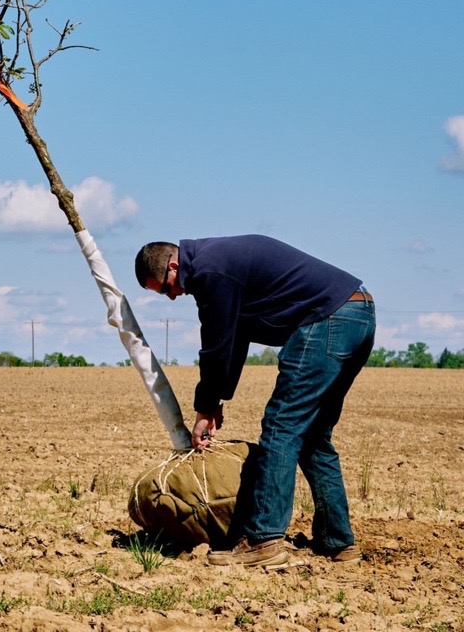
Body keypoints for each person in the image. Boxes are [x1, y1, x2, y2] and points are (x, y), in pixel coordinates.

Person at [134, 235, 375, 568]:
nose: (172, 296)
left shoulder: (209, 269)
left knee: (281, 426)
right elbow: (236, 336)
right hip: (357, 314)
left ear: (173, 265)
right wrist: (216, 403)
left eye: (165, 288)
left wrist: (204, 408)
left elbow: (216, 344)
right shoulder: (218, 261)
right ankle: (338, 544)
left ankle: (264, 540)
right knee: (314, 436)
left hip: (328, 319)